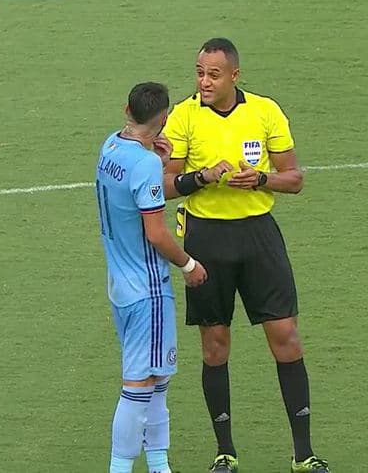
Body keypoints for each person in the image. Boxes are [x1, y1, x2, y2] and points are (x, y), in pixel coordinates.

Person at [162, 38, 329, 473]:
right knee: (215, 345)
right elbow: (163, 185)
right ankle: (225, 452)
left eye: (213, 75)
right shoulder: (183, 116)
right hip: (205, 238)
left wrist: (260, 179)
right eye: (199, 72)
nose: (204, 81)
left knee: (286, 336)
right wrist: (201, 178)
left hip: (258, 237)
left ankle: (303, 454)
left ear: (234, 75)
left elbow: (294, 179)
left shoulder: (265, 111)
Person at [95, 82, 210, 473]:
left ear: (126, 109)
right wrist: (189, 265)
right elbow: (157, 233)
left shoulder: (110, 147)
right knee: (139, 386)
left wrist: (156, 159)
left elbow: (136, 190)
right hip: (148, 289)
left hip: (120, 284)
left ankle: (159, 465)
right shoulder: (143, 164)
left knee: (157, 378)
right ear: (162, 120)